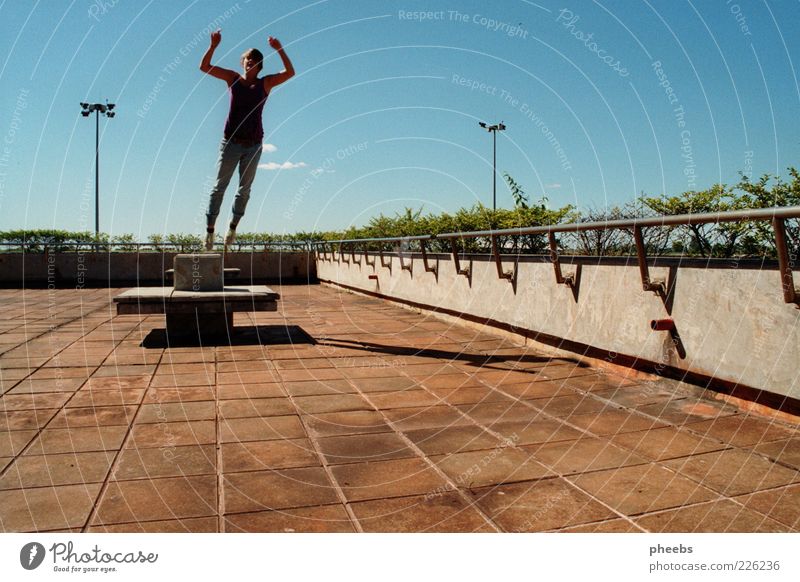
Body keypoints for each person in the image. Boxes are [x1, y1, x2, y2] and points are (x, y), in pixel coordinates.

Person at [199, 30, 295, 250]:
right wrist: (213, 46)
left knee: (244, 189)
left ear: (259, 65)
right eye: (246, 59)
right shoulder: (233, 79)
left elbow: (290, 72)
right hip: (231, 142)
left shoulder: (266, 84)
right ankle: (210, 232)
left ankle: (232, 228)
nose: (248, 61)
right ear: (242, 62)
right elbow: (204, 67)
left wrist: (279, 48)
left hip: (253, 145)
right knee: (218, 187)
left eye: (253, 59)